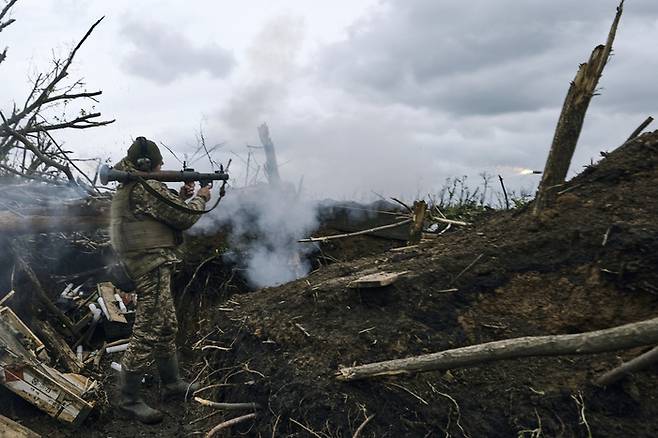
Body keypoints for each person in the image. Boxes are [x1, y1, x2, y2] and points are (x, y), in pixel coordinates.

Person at [109, 136, 211, 424]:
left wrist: (180, 194)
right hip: (150, 265)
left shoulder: (134, 186)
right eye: (159, 163)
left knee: (166, 324)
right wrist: (201, 196)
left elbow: (161, 213)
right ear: (147, 164)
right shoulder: (145, 187)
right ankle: (128, 399)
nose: (162, 166)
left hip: (151, 262)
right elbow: (184, 217)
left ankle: (172, 384)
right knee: (149, 329)